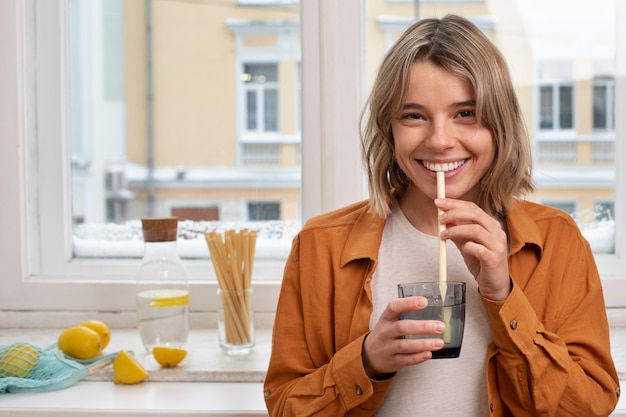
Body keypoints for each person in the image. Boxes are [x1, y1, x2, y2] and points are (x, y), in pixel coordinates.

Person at [263, 14, 620, 416]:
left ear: (499, 125)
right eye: (414, 115)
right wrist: (366, 362)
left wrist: (503, 295)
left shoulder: (557, 241)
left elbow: (588, 405)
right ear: (389, 127)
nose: (440, 140)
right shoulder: (320, 246)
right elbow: (285, 406)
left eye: (465, 113)